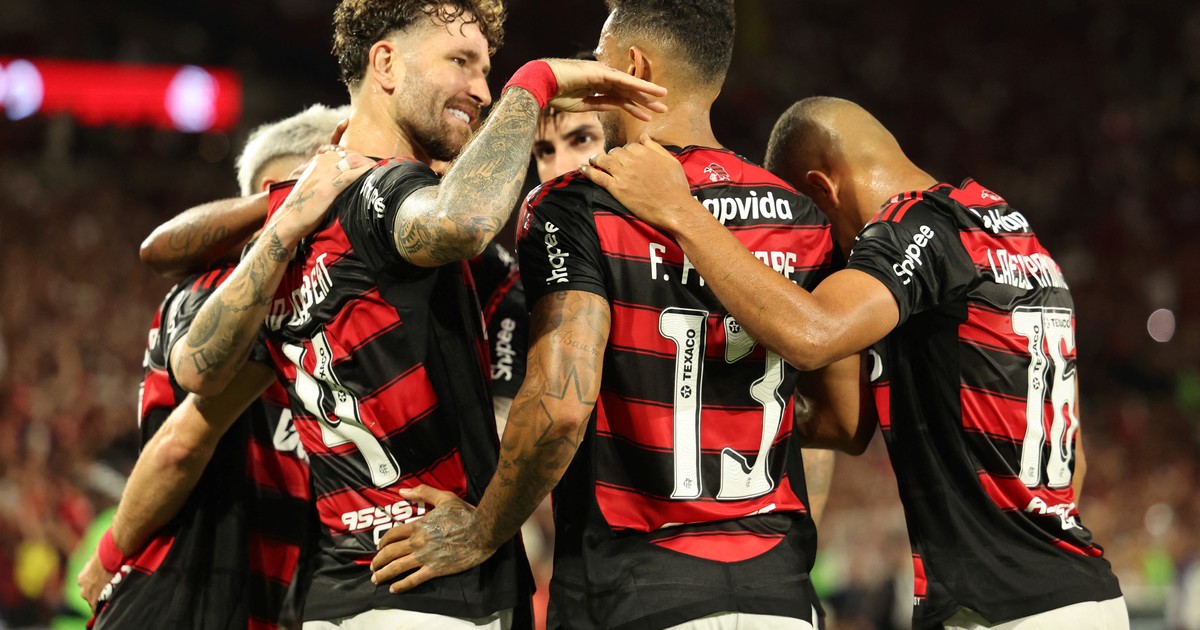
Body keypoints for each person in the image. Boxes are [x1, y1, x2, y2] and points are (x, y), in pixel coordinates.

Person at [169, 0, 667, 627]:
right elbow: (463, 222)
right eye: (460, 61)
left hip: (338, 593)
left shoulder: (296, 221)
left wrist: (278, 223)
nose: (481, 90)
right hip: (435, 590)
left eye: (488, 71)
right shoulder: (382, 192)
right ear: (385, 63)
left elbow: (196, 365)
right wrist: (533, 83)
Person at [370, 2, 859, 628]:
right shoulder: (802, 217)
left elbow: (561, 409)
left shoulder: (576, 205)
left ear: (634, 67)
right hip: (779, 594)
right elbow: (842, 422)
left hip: (633, 591)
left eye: (600, 61)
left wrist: (482, 530)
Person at [579, 96, 1128, 628]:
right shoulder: (1015, 236)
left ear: (823, 188)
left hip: (1003, 611)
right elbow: (849, 426)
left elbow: (814, 334)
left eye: (817, 232)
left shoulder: (918, 226)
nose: (822, 258)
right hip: (1086, 593)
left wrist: (680, 212)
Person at [75, 105, 347, 630]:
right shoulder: (221, 293)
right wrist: (107, 556)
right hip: (178, 597)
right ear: (282, 188)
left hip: (240, 605)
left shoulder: (313, 310)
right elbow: (181, 443)